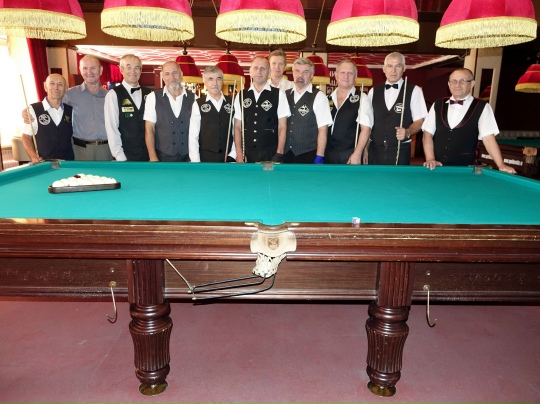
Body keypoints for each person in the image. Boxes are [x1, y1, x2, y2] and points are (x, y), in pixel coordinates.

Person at [422, 68, 516, 174]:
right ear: (449, 84)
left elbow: (488, 139)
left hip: (466, 169)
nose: (457, 84)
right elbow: (427, 134)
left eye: (462, 81)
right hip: (437, 167)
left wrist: (501, 165)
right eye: (454, 81)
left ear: (472, 84)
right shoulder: (438, 104)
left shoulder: (482, 107)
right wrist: (430, 158)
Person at [21, 55, 111, 161]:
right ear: (80, 70)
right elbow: (52, 101)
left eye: (93, 68)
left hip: (106, 149)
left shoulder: (111, 96)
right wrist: (27, 111)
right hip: (80, 150)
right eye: (85, 68)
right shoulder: (69, 94)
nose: (89, 72)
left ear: (101, 70)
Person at [367, 52, 427, 165]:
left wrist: (408, 132)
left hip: (400, 150)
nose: (393, 70)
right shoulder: (373, 91)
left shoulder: (414, 90)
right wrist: (365, 148)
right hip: (375, 150)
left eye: (398, 66)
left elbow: (420, 121)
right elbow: (368, 124)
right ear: (384, 69)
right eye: (390, 66)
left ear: (404, 68)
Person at [233, 56, 290, 163]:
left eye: (263, 68)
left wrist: (279, 153)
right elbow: (237, 127)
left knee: (269, 175)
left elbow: (282, 126)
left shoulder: (279, 94)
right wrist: (239, 153)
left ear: (269, 73)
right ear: (250, 72)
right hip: (247, 154)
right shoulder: (241, 95)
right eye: (256, 68)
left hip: (271, 153)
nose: (259, 71)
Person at [283, 57, 333, 164]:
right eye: (297, 71)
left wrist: (320, 156)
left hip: (308, 154)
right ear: (293, 73)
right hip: (286, 154)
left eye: (305, 72)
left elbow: (323, 129)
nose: (300, 75)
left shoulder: (319, 97)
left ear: (311, 75)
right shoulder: (285, 95)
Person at [144, 61, 195, 162]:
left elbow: (197, 131)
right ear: (162, 76)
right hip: (162, 157)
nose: (172, 77)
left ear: (181, 74)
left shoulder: (194, 98)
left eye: (174, 73)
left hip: (188, 157)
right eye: (167, 74)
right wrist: (153, 156)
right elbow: (149, 129)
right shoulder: (152, 97)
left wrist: (195, 157)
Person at [326, 59, 373, 164]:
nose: (346, 76)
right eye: (342, 72)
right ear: (336, 75)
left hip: (350, 154)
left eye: (350, 73)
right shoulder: (327, 98)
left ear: (355, 77)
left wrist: (358, 153)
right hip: (328, 154)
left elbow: (366, 129)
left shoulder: (362, 98)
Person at [104, 54, 150, 161]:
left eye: (136, 68)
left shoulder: (149, 93)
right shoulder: (113, 94)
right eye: (129, 67)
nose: (133, 71)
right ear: (121, 69)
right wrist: (120, 156)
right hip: (124, 156)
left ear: (141, 70)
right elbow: (112, 128)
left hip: (147, 156)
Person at [22, 74, 74, 163]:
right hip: (44, 164)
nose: (56, 87)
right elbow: (26, 137)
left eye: (60, 84)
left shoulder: (71, 110)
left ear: (66, 89)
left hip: (68, 163)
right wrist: (34, 157)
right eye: (52, 83)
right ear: (45, 87)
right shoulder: (33, 109)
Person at [189, 66, 235, 162]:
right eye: (211, 79)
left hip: (228, 157)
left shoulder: (232, 102)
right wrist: (196, 161)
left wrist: (233, 154)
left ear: (222, 81)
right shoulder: (198, 103)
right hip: (205, 158)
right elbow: (193, 136)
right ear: (205, 82)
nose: (215, 83)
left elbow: (236, 132)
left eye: (218, 79)